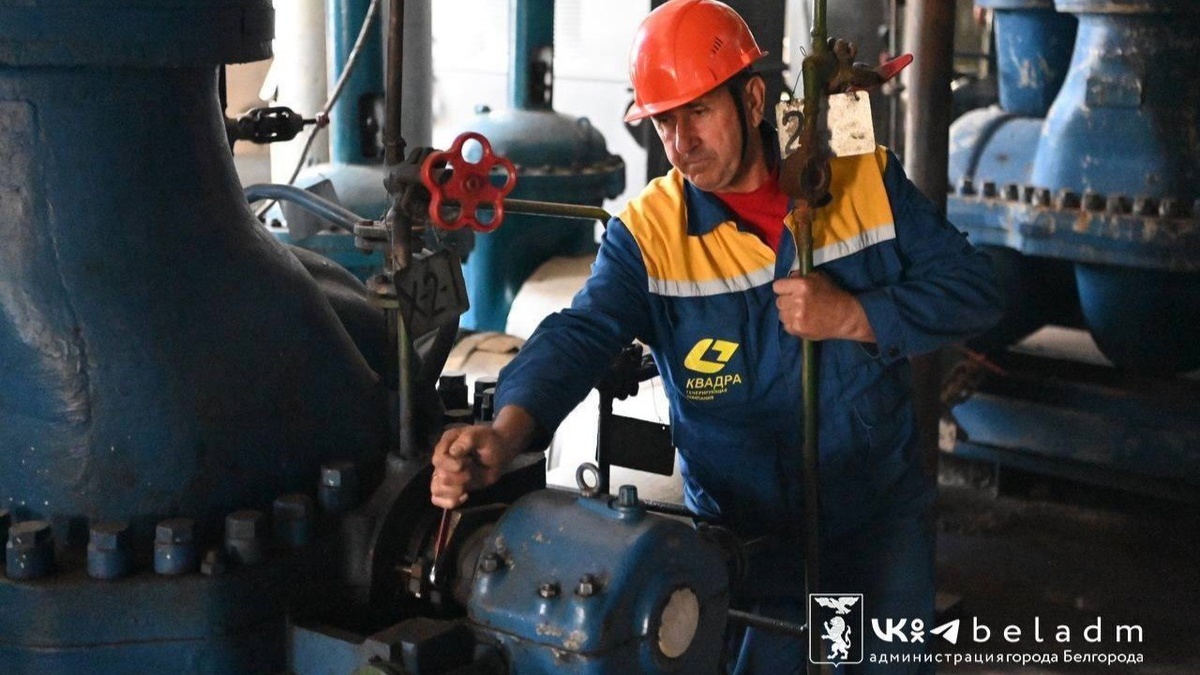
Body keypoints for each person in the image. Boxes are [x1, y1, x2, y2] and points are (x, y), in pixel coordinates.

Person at [431, 0, 1002, 672]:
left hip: (873, 525)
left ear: (753, 99)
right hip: (743, 539)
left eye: (697, 112)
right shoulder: (650, 234)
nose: (681, 143)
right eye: (664, 122)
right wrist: (507, 431)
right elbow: (579, 334)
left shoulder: (862, 181)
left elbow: (977, 290)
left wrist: (856, 314)